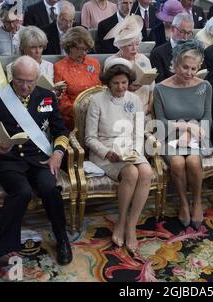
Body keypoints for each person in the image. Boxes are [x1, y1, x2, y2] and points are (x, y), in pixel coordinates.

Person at [0, 56, 73, 270]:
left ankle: (62, 239)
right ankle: (3, 251)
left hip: (40, 158)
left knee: (50, 187)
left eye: (30, 81)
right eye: (20, 81)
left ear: (37, 79)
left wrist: (57, 154)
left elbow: (60, 131)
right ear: (11, 77)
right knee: (22, 191)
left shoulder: (46, 97)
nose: (25, 86)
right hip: (9, 160)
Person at [85, 58, 152, 254]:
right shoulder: (97, 101)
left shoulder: (134, 99)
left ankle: (131, 226)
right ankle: (121, 222)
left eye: (124, 82)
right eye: (116, 83)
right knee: (131, 173)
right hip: (105, 151)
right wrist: (108, 153)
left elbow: (139, 132)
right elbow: (90, 138)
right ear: (107, 82)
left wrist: (135, 151)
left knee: (146, 171)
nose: (121, 87)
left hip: (130, 149)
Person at [153, 40, 212, 230]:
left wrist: (192, 131)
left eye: (194, 68)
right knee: (178, 162)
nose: (189, 73)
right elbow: (160, 121)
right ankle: (183, 203)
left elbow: (208, 118)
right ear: (175, 64)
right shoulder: (160, 89)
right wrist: (183, 127)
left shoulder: (205, 86)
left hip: (198, 134)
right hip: (170, 136)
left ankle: (197, 202)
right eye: (185, 67)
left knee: (193, 161)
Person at [105, 15, 155, 121]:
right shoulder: (112, 62)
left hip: (145, 112)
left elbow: (152, 91)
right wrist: (127, 88)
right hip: (120, 113)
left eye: (137, 44)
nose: (134, 49)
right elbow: (106, 91)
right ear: (120, 45)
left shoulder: (144, 60)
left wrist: (147, 109)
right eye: (129, 45)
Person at [54, 26, 102, 130]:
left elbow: (101, 89)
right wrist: (81, 112)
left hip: (97, 114)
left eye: (86, 49)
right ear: (69, 47)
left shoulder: (94, 63)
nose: (84, 53)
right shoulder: (59, 67)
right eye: (80, 49)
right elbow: (61, 100)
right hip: (73, 119)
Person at [150, 13, 194, 82]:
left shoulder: (194, 52)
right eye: (182, 32)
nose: (185, 37)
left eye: (189, 33)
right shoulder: (157, 54)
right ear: (173, 29)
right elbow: (160, 84)